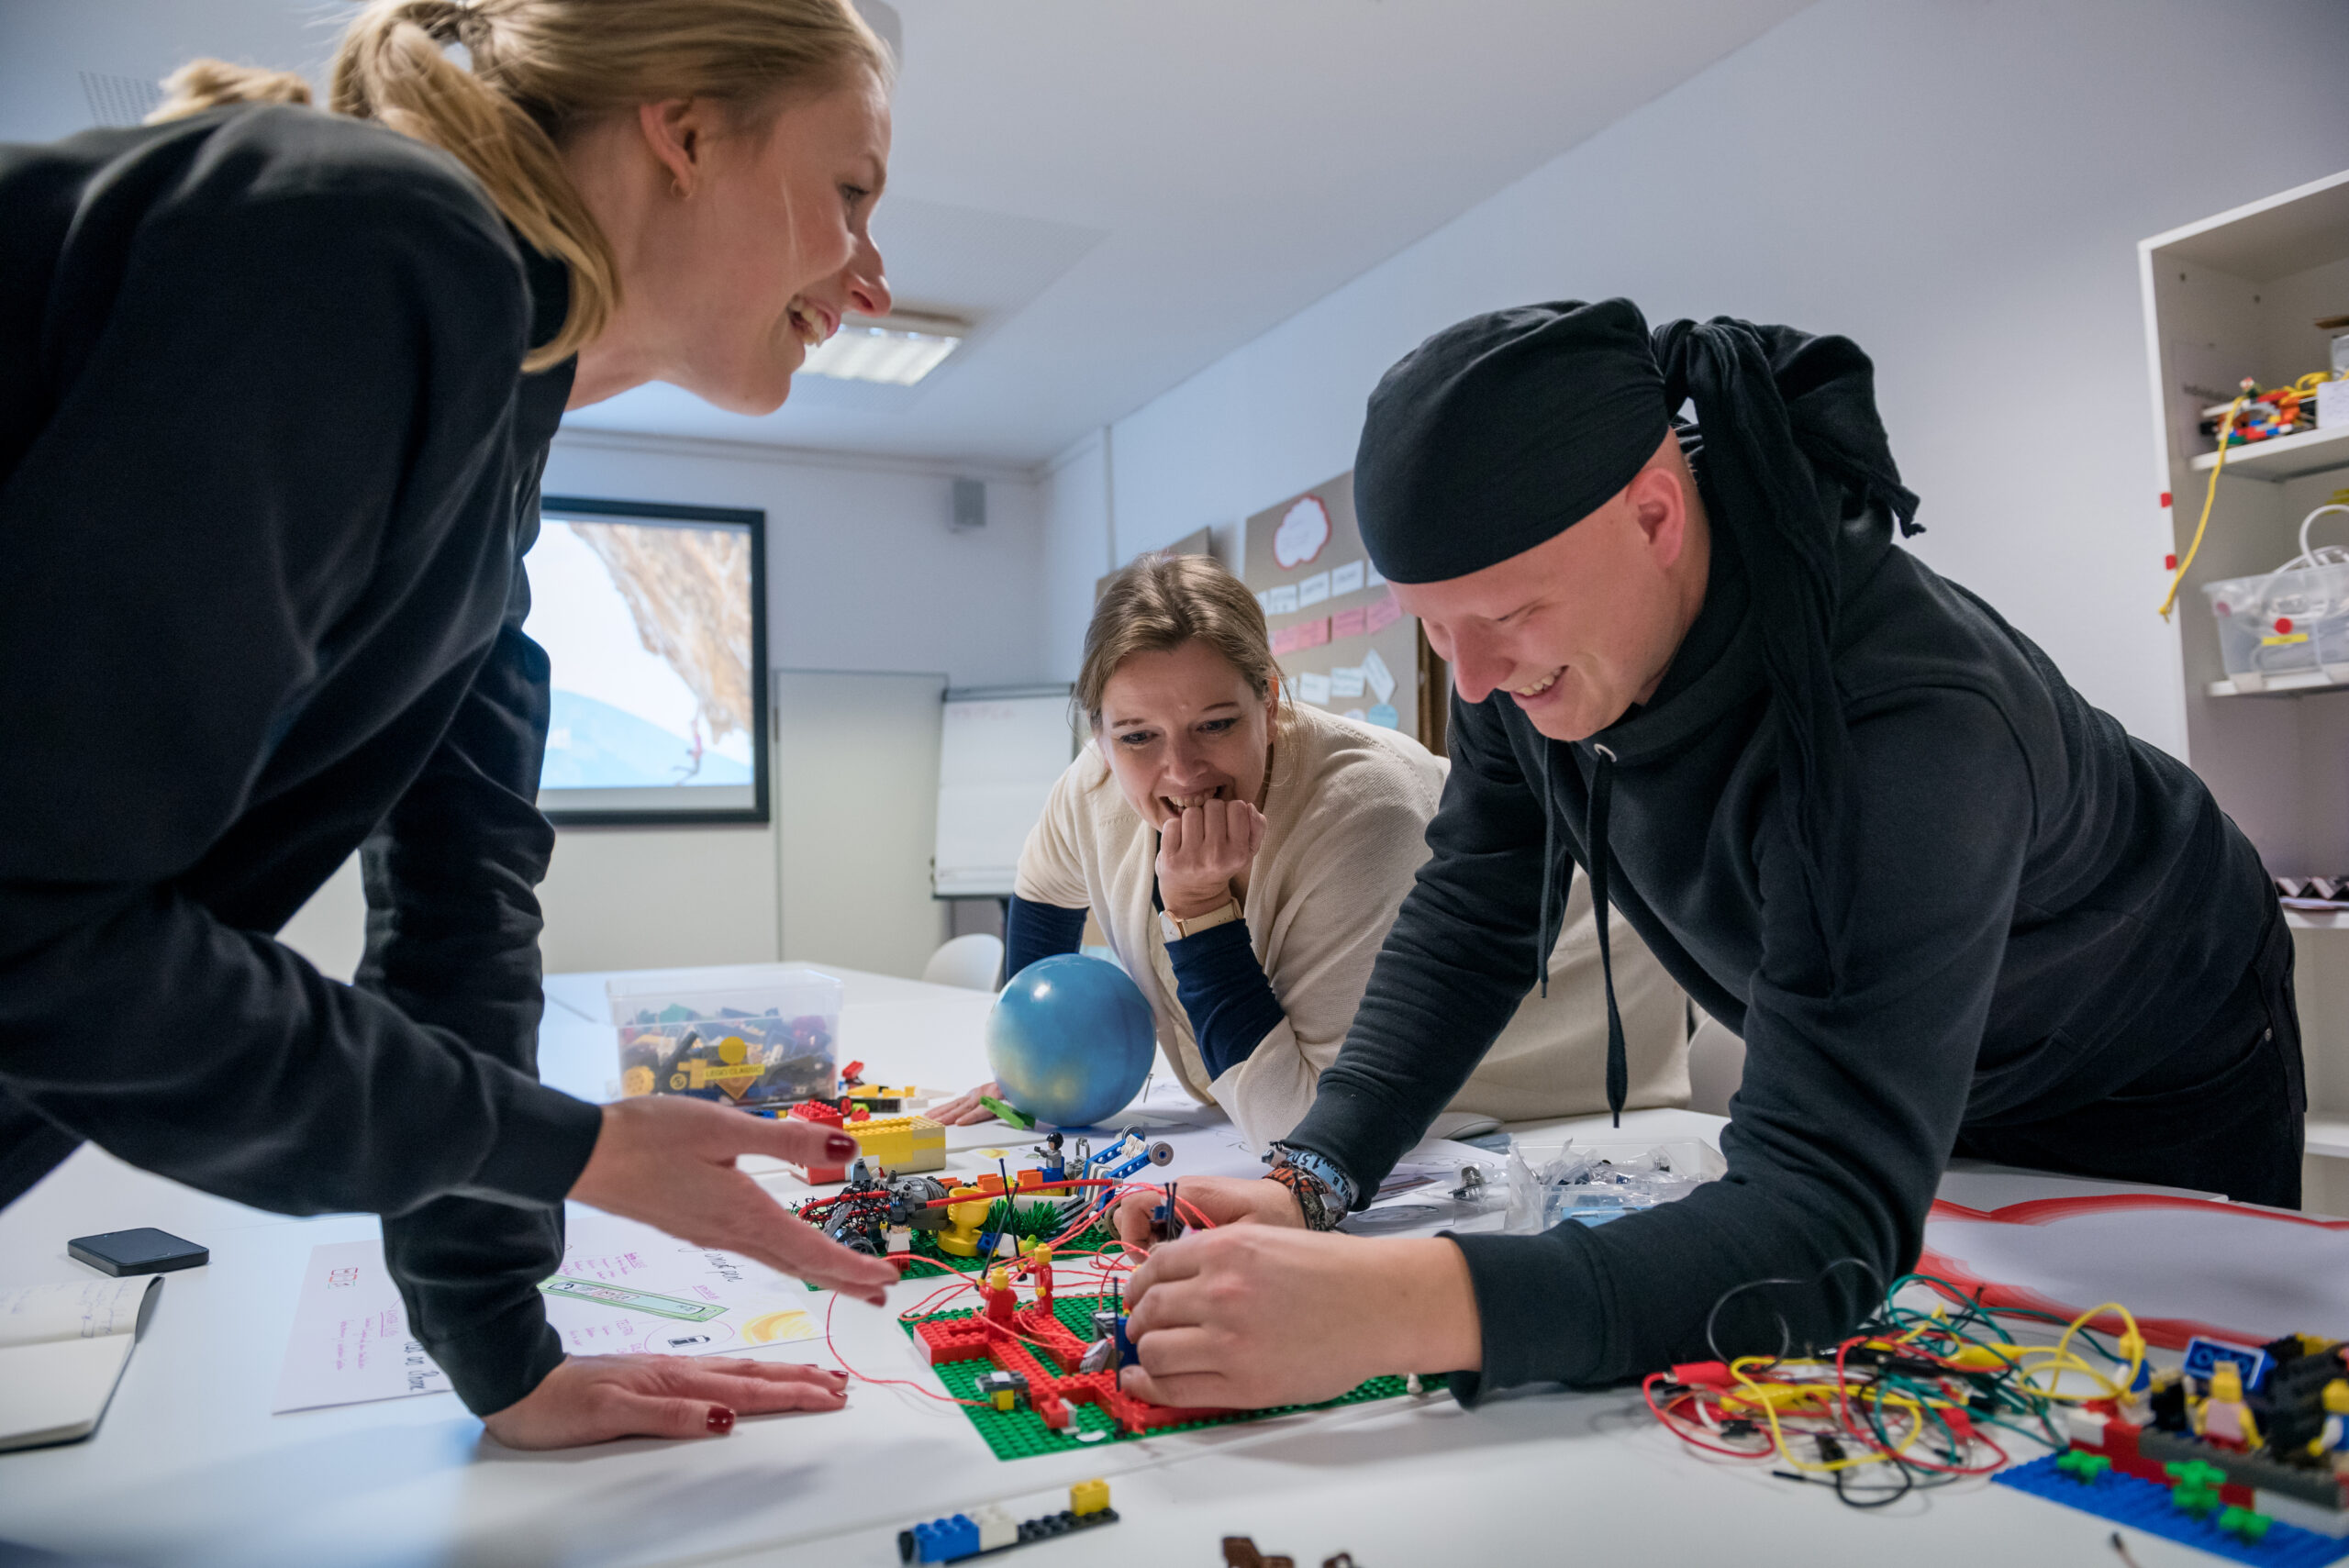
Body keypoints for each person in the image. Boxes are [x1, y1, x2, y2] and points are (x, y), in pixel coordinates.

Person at [1103, 299, 2302, 1414]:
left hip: (2149, 1057)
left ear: (1655, 517)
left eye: (1504, 617)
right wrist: (1313, 1174)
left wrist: (1398, 1308)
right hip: (1931, 1060)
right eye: (1433, 624)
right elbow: (1475, 913)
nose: (1468, 679)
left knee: (2177, 1427)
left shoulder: (1899, 720)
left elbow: (1822, 1211)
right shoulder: (1516, 659)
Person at [0, 0, 914, 1450]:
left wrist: (506, 1353)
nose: (869, 279)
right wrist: (581, 1148)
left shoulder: (492, 463)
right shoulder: (366, 243)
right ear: (683, 128)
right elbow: (37, 919)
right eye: (851, 192)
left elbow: (462, 919)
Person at [930, 552, 1688, 1151]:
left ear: (1272, 699)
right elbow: (1044, 887)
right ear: (1098, 732)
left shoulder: (1364, 811)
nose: (1182, 771)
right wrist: (1023, 1068)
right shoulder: (1094, 784)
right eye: (1137, 737)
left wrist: (1197, 912)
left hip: (1584, 1074)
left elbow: (1304, 1137)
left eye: (1217, 724)